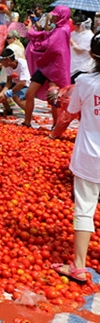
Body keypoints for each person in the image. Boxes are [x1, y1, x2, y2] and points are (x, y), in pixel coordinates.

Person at [51, 33, 100, 284]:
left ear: (92, 55)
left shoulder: (84, 82)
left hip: (90, 156)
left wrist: (56, 131)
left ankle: (79, 266)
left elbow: (70, 113)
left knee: (85, 208)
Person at [23, 6, 72, 129]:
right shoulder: (58, 28)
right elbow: (45, 34)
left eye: (55, 15)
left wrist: (37, 44)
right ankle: (27, 122)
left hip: (55, 68)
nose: (53, 16)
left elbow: (53, 46)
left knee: (54, 98)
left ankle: (55, 125)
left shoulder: (63, 30)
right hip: (45, 66)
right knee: (30, 93)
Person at [0, 47, 30, 113]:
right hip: (16, 84)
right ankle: (8, 110)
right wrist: (2, 93)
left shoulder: (22, 64)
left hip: (27, 86)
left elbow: (23, 83)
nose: (0, 63)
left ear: (8, 59)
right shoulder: (7, 66)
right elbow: (9, 82)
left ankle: (29, 112)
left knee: (16, 97)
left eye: (1, 60)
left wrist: (10, 93)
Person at [70, 12, 95, 83]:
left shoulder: (89, 35)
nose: (74, 26)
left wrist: (70, 40)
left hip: (83, 66)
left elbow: (79, 50)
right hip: (72, 62)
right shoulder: (74, 33)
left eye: (75, 24)